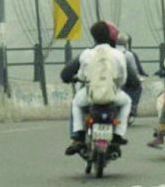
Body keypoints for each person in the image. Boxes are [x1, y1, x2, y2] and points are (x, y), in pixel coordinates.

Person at [61, 21, 133, 155]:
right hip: (112, 95)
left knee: (76, 103)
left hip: (91, 95)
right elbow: (123, 77)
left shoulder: (87, 54)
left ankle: (78, 136)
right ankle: (118, 135)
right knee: (127, 102)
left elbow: (82, 75)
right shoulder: (118, 55)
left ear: (93, 36)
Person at [118, 33, 148, 119]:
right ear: (126, 43)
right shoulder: (128, 54)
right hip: (125, 80)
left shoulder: (110, 52)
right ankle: (133, 107)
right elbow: (134, 70)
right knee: (137, 87)